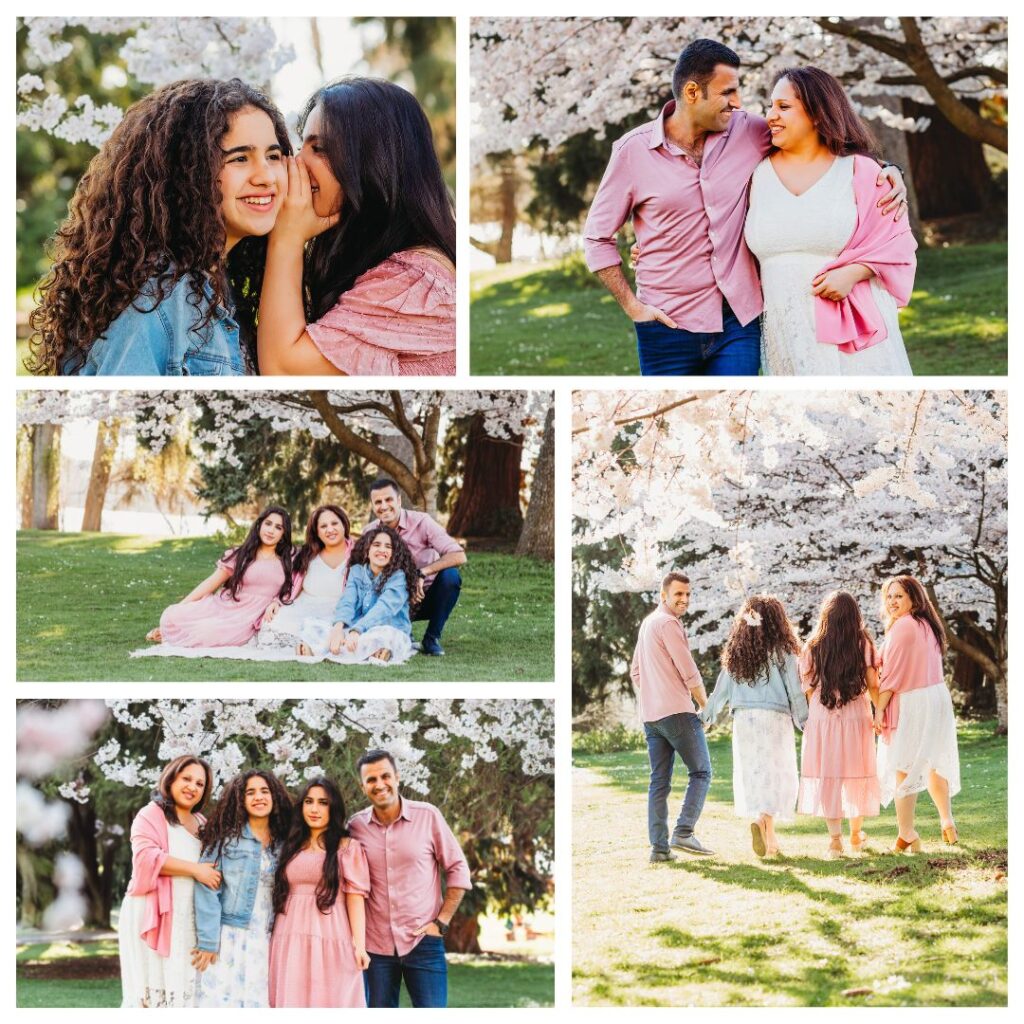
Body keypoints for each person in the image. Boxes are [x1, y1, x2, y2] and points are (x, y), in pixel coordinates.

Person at [584, 38, 907, 376]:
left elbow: (817, 141)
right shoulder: (632, 153)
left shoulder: (749, 132)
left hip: (738, 323)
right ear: (693, 92)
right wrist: (633, 307)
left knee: (737, 417)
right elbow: (596, 238)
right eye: (727, 93)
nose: (737, 103)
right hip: (666, 324)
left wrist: (888, 169)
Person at [29, 78, 291, 376]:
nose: (267, 176)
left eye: (273, 156)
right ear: (186, 171)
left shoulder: (215, 283)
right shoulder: (156, 301)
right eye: (240, 158)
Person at [256, 77, 456, 376]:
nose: (297, 163)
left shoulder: (411, 283)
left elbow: (283, 369)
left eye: (320, 148)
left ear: (375, 161)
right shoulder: (390, 265)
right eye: (303, 146)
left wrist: (287, 238)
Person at [745, 66, 916, 375]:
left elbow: (899, 245)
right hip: (784, 331)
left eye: (784, 107)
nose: (771, 115)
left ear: (817, 114)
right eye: (771, 105)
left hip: (851, 330)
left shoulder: (861, 172)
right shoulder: (754, 174)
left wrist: (854, 272)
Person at [347, 749, 471, 1008]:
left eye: (385, 776)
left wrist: (442, 922)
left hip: (423, 942)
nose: (379, 785)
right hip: (375, 947)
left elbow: (458, 868)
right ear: (362, 787)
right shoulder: (355, 827)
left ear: (397, 777)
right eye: (371, 780)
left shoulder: (428, 816)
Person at [701, 595, 808, 858]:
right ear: (777, 622)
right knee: (777, 774)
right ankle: (763, 823)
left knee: (757, 774)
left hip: (744, 720)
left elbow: (721, 691)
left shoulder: (737, 653)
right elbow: (796, 691)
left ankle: (770, 840)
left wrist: (706, 717)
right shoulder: (783, 652)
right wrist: (806, 721)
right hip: (774, 718)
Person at [119, 756, 219, 1008]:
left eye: (200, 783)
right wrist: (195, 870)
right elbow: (145, 858)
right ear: (171, 778)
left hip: (187, 917)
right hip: (153, 914)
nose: (192, 787)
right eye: (186, 779)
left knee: (184, 989)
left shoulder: (202, 823)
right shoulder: (151, 814)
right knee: (153, 993)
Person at [874, 575, 961, 852]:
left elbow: (892, 677)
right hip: (936, 696)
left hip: (913, 702)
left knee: (904, 766)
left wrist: (879, 710)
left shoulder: (903, 627)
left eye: (898, 596)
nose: (892, 602)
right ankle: (947, 821)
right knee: (933, 761)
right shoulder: (929, 625)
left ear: (914, 598)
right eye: (889, 596)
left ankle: (906, 832)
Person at [630, 570, 713, 861]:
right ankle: (684, 832)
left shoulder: (647, 623)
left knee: (659, 782)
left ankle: (659, 850)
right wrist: (706, 705)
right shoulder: (668, 624)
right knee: (702, 772)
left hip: (651, 717)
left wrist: (655, 690)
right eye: (678, 594)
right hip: (677, 712)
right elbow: (688, 671)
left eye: (688, 594)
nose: (684, 599)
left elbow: (636, 672)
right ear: (663, 595)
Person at [193, 770, 293, 1007]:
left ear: (275, 797)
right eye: (251, 793)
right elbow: (207, 889)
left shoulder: (286, 841)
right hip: (232, 935)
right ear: (240, 799)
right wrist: (208, 941)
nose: (258, 797)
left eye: (264, 791)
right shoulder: (226, 840)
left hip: (270, 936)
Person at [268, 777, 370, 1007]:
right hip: (288, 934)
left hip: (330, 934)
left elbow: (355, 898)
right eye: (309, 801)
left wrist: (359, 945)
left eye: (323, 802)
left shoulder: (347, 847)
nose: (314, 809)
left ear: (333, 808)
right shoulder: (290, 845)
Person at [797, 591, 881, 858]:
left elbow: (808, 687)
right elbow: (873, 683)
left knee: (829, 775)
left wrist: (822, 705)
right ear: (855, 615)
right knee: (856, 773)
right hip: (856, 714)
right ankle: (856, 834)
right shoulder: (863, 643)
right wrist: (880, 711)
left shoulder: (812, 645)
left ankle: (835, 840)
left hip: (824, 716)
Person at [147, 506, 295, 648]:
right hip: (224, 605)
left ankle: (172, 635)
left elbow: (295, 586)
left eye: (278, 527)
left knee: (207, 631)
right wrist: (182, 605)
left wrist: (277, 601)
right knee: (172, 615)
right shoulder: (240, 555)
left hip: (246, 618)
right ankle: (168, 632)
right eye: (268, 524)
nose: (271, 530)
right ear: (259, 525)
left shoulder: (289, 559)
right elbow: (211, 582)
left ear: (283, 534)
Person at [366, 477, 466, 656]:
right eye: (378, 502)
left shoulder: (422, 522)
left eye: (388, 499)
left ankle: (431, 638)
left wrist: (422, 573)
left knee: (451, 576)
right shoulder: (369, 532)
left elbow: (458, 555)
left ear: (399, 500)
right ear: (373, 506)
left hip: (424, 597)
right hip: (392, 599)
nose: (384, 506)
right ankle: (402, 633)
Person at [307, 523, 418, 664]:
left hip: (387, 626)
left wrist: (356, 631)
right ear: (367, 549)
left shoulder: (398, 577)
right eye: (376, 545)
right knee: (318, 625)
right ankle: (328, 646)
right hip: (358, 626)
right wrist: (338, 627)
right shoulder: (356, 571)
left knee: (384, 636)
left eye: (388, 547)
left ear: (394, 553)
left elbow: (384, 609)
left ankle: (378, 650)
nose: (382, 550)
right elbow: (348, 601)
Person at [257, 504, 353, 654]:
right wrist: (278, 601)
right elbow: (292, 583)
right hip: (305, 606)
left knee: (336, 632)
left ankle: (312, 645)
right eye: (323, 526)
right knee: (273, 624)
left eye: (334, 523)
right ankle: (306, 644)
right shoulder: (307, 554)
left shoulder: (358, 554)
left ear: (344, 524)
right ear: (317, 532)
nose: (330, 530)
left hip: (337, 611)